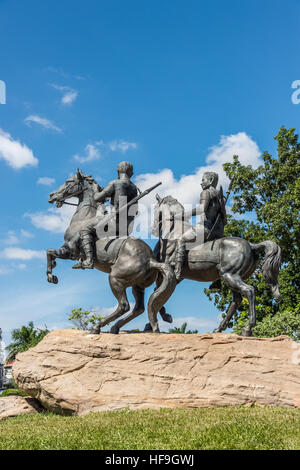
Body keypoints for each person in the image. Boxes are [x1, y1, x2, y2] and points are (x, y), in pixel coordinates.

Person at [72, 161, 139, 270]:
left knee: (85, 229)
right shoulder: (134, 188)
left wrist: (95, 190)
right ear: (131, 173)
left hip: (114, 221)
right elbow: (135, 210)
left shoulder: (115, 183)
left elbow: (97, 198)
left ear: (118, 171)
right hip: (127, 226)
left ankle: (89, 260)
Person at [173, 171, 225, 281]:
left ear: (210, 180)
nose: (201, 183)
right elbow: (225, 219)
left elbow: (202, 208)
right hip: (217, 232)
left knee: (181, 239)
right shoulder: (219, 196)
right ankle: (218, 280)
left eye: (203, 180)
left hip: (206, 227)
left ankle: (177, 271)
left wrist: (184, 215)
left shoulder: (206, 193)